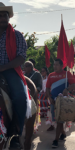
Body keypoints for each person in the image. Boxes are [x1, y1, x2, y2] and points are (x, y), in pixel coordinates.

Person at [0, 3, 29, 148]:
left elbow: (21, 57)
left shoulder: (17, 35)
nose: (2, 18)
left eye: (5, 15)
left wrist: (3, 67)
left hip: (10, 69)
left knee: (20, 97)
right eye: (0, 16)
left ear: (8, 18)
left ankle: (15, 134)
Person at [46, 59, 75, 148]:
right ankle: (62, 133)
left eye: (57, 65)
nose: (54, 66)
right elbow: (47, 88)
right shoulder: (51, 75)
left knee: (59, 120)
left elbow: (74, 85)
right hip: (53, 101)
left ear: (61, 65)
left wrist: (67, 89)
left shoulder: (67, 74)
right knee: (56, 120)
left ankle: (56, 140)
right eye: (54, 64)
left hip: (64, 102)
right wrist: (49, 98)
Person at [24, 61, 42, 132]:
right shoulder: (23, 75)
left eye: (26, 66)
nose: (24, 68)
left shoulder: (37, 74)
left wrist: (33, 92)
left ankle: (30, 132)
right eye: (24, 66)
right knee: (26, 114)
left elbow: (40, 86)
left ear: (31, 67)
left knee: (32, 114)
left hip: (34, 97)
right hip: (25, 97)